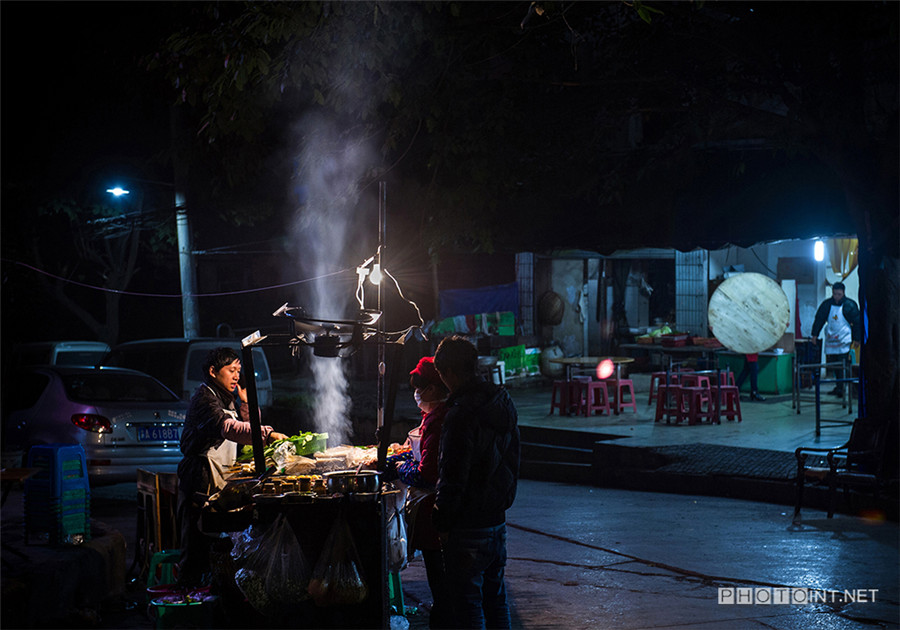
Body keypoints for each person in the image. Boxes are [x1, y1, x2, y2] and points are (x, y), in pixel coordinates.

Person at [176, 346, 287, 587]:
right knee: (196, 546)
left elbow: (245, 424)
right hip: (200, 479)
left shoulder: (227, 398)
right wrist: (268, 435)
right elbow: (230, 429)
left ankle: (212, 593)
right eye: (231, 370)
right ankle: (190, 600)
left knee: (216, 544)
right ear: (213, 372)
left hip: (220, 477)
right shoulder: (205, 398)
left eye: (238, 370)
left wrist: (246, 404)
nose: (237, 375)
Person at [432, 336, 520, 629]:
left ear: (452, 373)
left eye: (443, 375)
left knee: (468, 607)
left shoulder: (460, 416)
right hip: (497, 523)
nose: (443, 382)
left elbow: (453, 475)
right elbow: (513, 460)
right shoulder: (502, 403)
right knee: (496, 601)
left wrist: (442, 522)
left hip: (468, 528)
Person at [380, 356, 451, 628]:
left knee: (443, 588)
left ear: (433, 388)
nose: (416, 393)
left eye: (419, 386)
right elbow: (422, 455)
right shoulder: (431, 416)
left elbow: (426, 474)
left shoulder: (439, 419)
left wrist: (398, 467)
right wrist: (399, 458)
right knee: (444, 588)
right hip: (437, 519)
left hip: (438, 518)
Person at [810, 282, 861, 397]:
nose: (836, 296)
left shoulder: (850, 305)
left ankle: (843, 387)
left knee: (843, 364)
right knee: (834, 365)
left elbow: (857, 322)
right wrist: (814, 334)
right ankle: (838, 387)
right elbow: (819, 319)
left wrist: (857, 339)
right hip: (831, 340)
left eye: (839, 294)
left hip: (844, 340)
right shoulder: (827, 305)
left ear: (843, 292)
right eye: (834, 294)